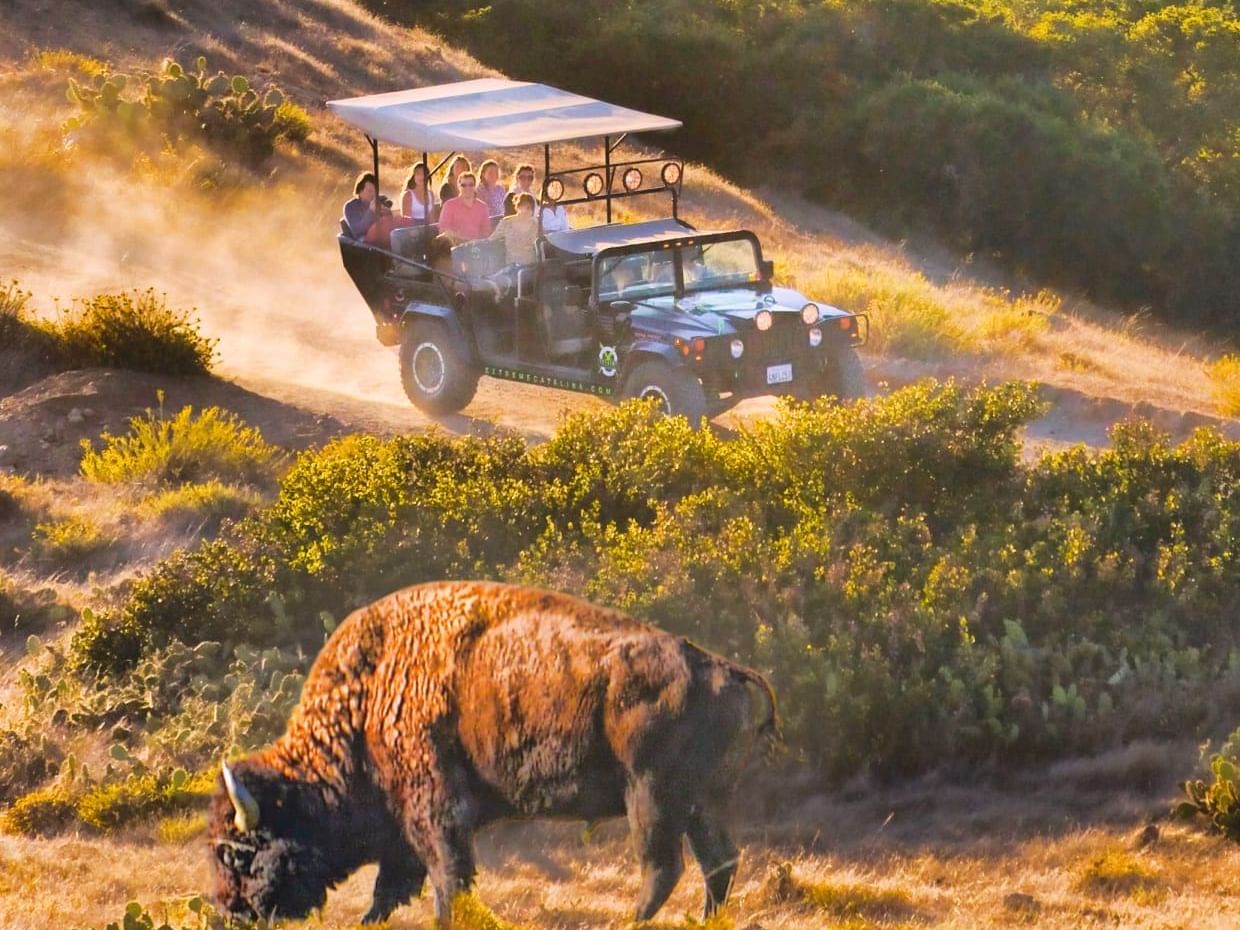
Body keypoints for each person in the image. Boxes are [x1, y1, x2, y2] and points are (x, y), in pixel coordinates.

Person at [342, 171, 410, 249]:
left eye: (375, 191)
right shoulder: (350, 206)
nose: (373, 194)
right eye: (370, 191)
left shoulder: (379, 202)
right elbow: (358, 231)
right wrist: (371, 211)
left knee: (403, 223)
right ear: (360, 191)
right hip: (363, 246)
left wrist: (387, 213)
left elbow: (389, 225)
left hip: (383, 239)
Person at [436, 171, 492, 244]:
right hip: (455, 246)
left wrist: (475, 241)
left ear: (475, 186)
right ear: (458, 186)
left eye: (471, 185)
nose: (467, 188)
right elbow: (443, 230)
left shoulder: (483, 207)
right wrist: (461, 240)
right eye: (463, 185)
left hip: (476, 247)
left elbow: (486, 231)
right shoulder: (449, 205)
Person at [489, 192, 539, 266]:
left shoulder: (536, 224)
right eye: (524, 207)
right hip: (512, 266)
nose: (527, 211)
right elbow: (492, 239)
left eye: (530, 208)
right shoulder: (506, 223)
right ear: (518, 207)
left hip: (531, 266)